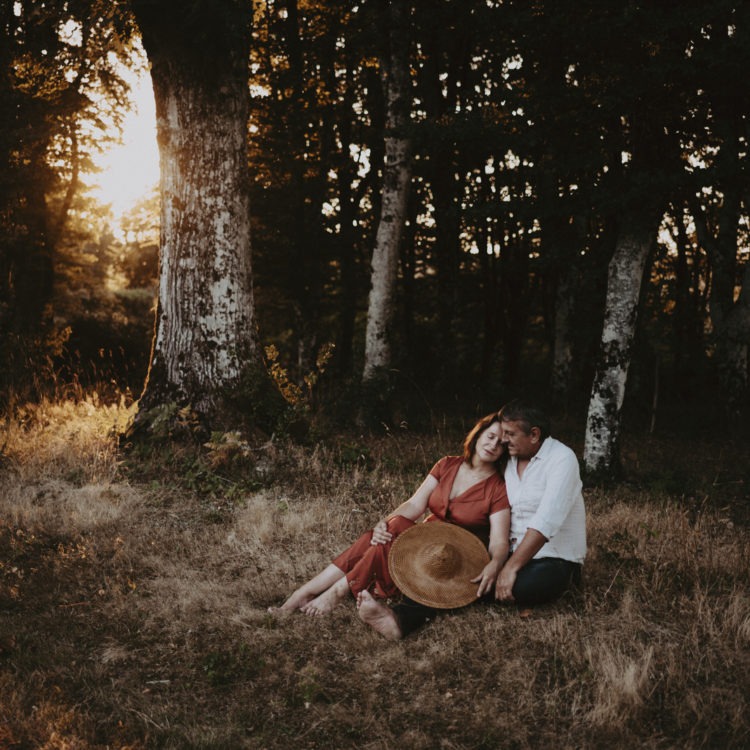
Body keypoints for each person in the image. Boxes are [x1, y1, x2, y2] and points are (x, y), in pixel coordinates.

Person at [269, 414, 510, 638]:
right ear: (478, 434)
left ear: (504, 451)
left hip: (454, 557)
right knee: (382, 533)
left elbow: (499, 540)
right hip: (425, 541)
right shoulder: (447, 464)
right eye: (490, 436)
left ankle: (335, 591)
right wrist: (383, 524)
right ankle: (307, 592)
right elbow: (414, 504)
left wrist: (495, 563)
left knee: (389, 532)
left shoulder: (498, 487)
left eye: (500, 443)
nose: (493, 445)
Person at [494, 399, 586, 606]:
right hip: (510, 552)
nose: (504, 439)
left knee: (523, 588)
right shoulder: (509, 459)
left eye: (510, 434)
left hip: (553, 558)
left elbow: (546, 520)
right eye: (503, 432)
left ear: (534, 434)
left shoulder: (562, 458)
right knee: (472, 569)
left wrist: (510, 568)